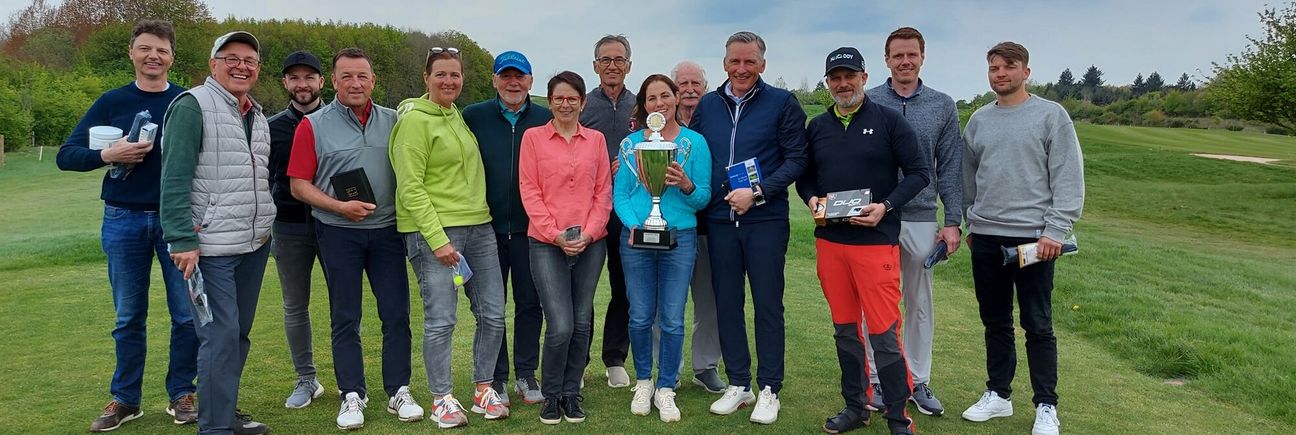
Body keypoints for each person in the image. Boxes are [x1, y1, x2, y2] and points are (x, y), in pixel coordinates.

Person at [56, 19, 196, 432]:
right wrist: (108, 155)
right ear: (132, 53)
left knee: (186, 315)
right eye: (145, 48)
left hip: (177, 221)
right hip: (122, 218)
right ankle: (125, 399)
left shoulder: (187, 101)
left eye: (162, 50)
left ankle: (181, 394)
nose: (154, 56)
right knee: (128, 316)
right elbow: (68, 155)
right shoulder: (111, 101)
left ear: (172, 56)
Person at [286, 48, 422, 430]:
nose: (355, 83)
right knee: (346, 316)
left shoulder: (395, 121)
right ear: (334, 81)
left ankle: (398, 389)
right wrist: (337, 206)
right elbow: (298, 185)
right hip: (337, 232)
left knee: (396, 315)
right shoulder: (312, 124)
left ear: (373, 80)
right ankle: (352, 395)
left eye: (362, 76)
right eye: (347, 76)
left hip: (387, 232)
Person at [797, 47, 930, 435]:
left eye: (849, 76)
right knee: (844, 329)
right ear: (828, 83)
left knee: (883, 332)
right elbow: (805, 177)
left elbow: (919, 173)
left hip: (875, 242)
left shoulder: (889, 121)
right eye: (835, 77)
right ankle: (855, 406)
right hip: (831, 243)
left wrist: (885, 206)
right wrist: (811, 199)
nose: (843, 84)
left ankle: (897, 417)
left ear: (864, 77)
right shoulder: (818, 127)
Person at [959, 41, 1084, 435]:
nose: (1000, 73)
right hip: (986, 237)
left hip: (1034, 242)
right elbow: (968, 181)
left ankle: (1046, 405)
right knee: (995, 322)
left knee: (1037, 323)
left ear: (1025, 72)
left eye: (1008, 67)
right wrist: (970, 223)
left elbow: (1067, 177)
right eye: (994, 67)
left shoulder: (1051, 116)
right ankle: (999, 395)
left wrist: (1055, 231)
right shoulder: (978, 120)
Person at [159, 30, 274, 435]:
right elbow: (173, 179)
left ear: (257, 70)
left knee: (236, 334)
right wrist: (183, 240)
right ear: (213, 64)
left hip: (253, 243)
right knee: (219, 336)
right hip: (209, 248)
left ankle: (223, 415)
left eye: (250, 60)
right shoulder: (192, 106)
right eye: (231, 57)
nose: (241, 65)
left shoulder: (255, 113)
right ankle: (215, 429)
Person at [689, 30, 807, 425]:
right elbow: (698, 155)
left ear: (762, 64)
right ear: (724, 64)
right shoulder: (708, 104)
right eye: (735, 62)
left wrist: (756, 193)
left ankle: (770, 388)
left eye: (749, 62)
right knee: (727, 303)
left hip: (765, 220)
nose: (741, 69)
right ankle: (739, 383)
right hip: (721, 220)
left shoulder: (782, 103)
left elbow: (795, 160)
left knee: (768, 305)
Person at [391, 46, 510, 428]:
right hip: (435, 234)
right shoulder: (413, 121)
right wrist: (438, 238)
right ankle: (442, 397)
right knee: (441, 320)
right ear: (426, 78)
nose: (448, 81)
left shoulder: (456, 116)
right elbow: (410, 187)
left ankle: (482, 389)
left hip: (480, 227)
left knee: (492, 314)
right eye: (440, 74)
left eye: (454, 75)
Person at [862, 26, 963, 416]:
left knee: (919, 303)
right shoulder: (869, 101)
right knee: (877, 303)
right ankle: (876, 380)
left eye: (911, 55)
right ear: (886, 60)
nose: (905, 61)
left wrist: (952, 220)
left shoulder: (942, 105)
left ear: (922, 57)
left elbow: (950, 166)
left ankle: (918, 380)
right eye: (897, 55)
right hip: (875, 216)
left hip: (921, 216)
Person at [615, 74, 713, 423]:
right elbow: (621, 195)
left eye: (665, 95)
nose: (659, 103)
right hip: (638, 238)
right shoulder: (630, 146)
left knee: (672, 317)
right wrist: (634, 224)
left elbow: (703, 197)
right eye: (651, 98)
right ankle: (644, 381)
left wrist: (685, 184)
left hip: (681, 237)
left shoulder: (694, 144)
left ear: (675, 99)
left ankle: (667, 387)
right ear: (644, 106)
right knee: (640, 315)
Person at [520, 71, 612, 425]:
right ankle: (551, 393)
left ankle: (572, 393)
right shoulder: (534, 138)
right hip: (546, 242)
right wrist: (555, 234)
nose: (565, 103)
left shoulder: (597, 140)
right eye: (558, 97)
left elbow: (603, 192)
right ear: (550, 100)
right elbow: (530, 190)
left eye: (572, 98)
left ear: (582, 102)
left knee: (582, 320)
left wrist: (588, 234)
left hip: (591, 243)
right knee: (560, 324)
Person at [462, 50, 553, 406]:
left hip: (533, 230)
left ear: (531, 81)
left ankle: (527, 374)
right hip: (485, 229)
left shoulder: (545, 118)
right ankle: (496, 377)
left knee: (530, 303)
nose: (513, 83)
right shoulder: (474, 116)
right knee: (490, 307)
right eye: (506, 76)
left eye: (520, 77)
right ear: (495, 80)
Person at [265, 50, 328, 410]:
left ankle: (352, 384)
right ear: (285, 83)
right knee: (295, 306)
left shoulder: (339, 121)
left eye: (309, 77)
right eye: (294, 78)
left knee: (344, 304)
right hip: (289, 228)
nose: (302, 84)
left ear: (321, 81)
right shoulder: (271, 127)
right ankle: (306, 378)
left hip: (335, 227)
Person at [580, 34, 635, 388]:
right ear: (595, 65)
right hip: (586, 211)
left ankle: (615, 357)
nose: (612, 66)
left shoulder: (641, 105)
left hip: (630, 211)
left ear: (628, 65)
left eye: (619, 59)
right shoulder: (583, 105)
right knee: (581, 289)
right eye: (605, 59)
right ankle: (577, 360)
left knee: (625, 287)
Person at [669, 60, 725, 393]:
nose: (690, 90)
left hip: (710, 225)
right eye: (682, 85)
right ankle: (668, 369)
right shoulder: (659, 127)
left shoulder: (716, 122)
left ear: (705, 88)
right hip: (672, 225)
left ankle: (705, 366)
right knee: (667, 303)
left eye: (696, 84)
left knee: (709, 301)